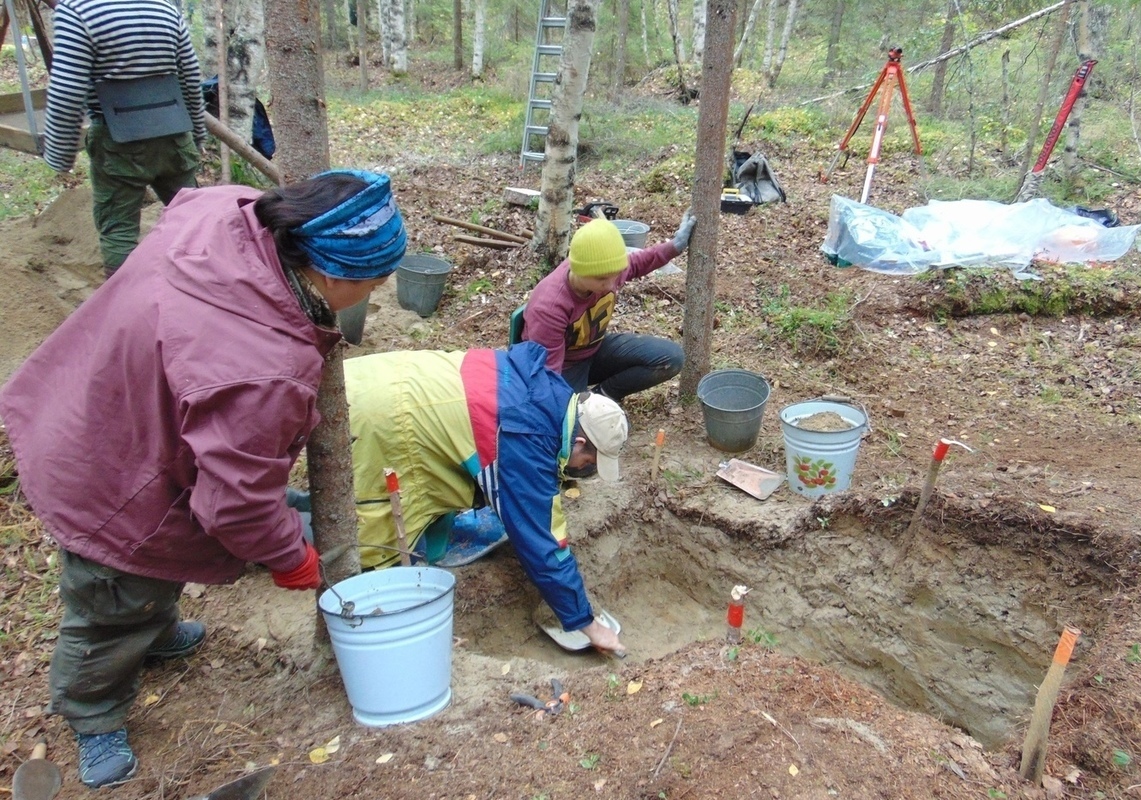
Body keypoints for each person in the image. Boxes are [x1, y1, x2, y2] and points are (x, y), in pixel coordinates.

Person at [0, 170, 408, 789]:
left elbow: (231, 471)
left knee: (148, 587)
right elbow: (236, 506)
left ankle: (156, 632)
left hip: (92, 398)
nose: (379, 291)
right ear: (333, 276)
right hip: (112, 486)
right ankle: (93, 707)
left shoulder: (229, 216)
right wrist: (286, 556)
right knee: (114, 598)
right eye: (377, 281)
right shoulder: (264, 366)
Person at [340, 341, 629, 655]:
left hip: (383, 378)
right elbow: (543, 543)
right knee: (370, 538)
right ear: (580, 441)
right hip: (381, 418)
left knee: (418, 489)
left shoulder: (550, 394)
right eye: (587, 464)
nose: (582, 472)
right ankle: (313, 559)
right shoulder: (524, 436)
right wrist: (585, 622)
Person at [41, 0, 207, 278]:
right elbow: (190, 77)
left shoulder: (78, 11)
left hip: (119, 141)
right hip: (175, 136)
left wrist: (59, 154)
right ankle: (206, 292)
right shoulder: (163, 7)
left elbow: (66, 92)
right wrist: (198, 134)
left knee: (118, 229)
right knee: (194, 221)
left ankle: (128, 307)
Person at [519, 210, 697, 404]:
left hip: (593, 351)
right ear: (580, 272)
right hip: (564, 367)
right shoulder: (550, 306)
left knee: (670, 358)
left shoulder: (606, 270)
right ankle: (587, 405)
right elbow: (547, 375)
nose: (612, 284)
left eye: (616, 274)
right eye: (603, 279)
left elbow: (637, 263)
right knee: (572, 419)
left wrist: (674, 247)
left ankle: (603, 396)